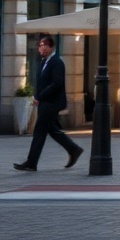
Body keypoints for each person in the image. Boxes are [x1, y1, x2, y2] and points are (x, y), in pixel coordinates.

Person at [14, 34, 84, 172]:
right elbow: (43, 82)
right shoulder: (44, 62)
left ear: (50, 47)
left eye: (43, 45)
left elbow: (56, 83)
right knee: (52, 130)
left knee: (39, 131)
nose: (40, 48)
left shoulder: (56, 62)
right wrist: (37, 95)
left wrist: (39, 96)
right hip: (45, 102)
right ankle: (74, 149)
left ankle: (31, 162)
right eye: (40, 45)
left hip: (52, 103)